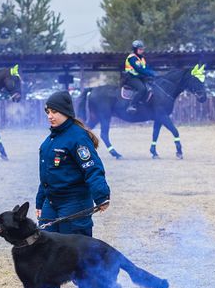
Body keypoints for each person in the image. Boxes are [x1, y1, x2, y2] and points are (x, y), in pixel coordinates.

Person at [36, 90, 110, 237]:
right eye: (48, 112)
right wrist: (40, 202)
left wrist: (102, 196)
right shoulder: (51, 139)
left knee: (75, 254)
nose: (49, 116)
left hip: (74, 203)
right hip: (50, 203)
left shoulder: (78, 137)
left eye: (54, 112)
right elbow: (47, 175)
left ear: (65, 112)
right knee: (46, 250)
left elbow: (92, 168)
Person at [122, 39, 156, 113]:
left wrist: (153, 72)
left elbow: (146, 67)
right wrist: (150, 73)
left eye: (142, 49)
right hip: (131, 78)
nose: (142, 51)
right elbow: (139, 69)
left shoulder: (141, 58)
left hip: (140, 78)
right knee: (142, 89)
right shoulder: (132, 58)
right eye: (140, 49)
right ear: (135, 50)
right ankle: (131, 105)